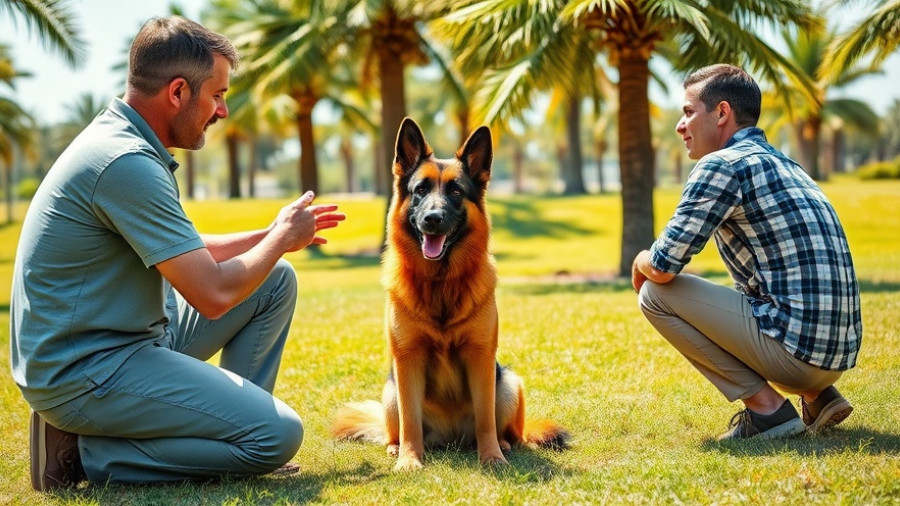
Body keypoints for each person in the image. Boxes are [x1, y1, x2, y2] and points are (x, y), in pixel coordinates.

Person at [10, 16, 345, 491]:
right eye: (217, 95)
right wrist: (280, 239)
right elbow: (212, 293)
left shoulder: (125, 142)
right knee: (279, 436)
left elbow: (186, 252)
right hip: (86, 372)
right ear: (178, 93)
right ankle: (83, 453)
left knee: (275, 278)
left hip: (130, 343)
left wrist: (271, 234)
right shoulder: (125, 162)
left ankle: (235, 432)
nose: (223, 110)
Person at [631, 64, 861, 441]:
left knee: (654, 295)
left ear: (722, 113)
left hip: (796, 354)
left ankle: (768, 411)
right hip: (835, 356)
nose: (680, 125)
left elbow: (662, 265)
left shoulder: (722, 164)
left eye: (689, 112)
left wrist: (640, 261)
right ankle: (819, 396)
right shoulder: (787, 163)